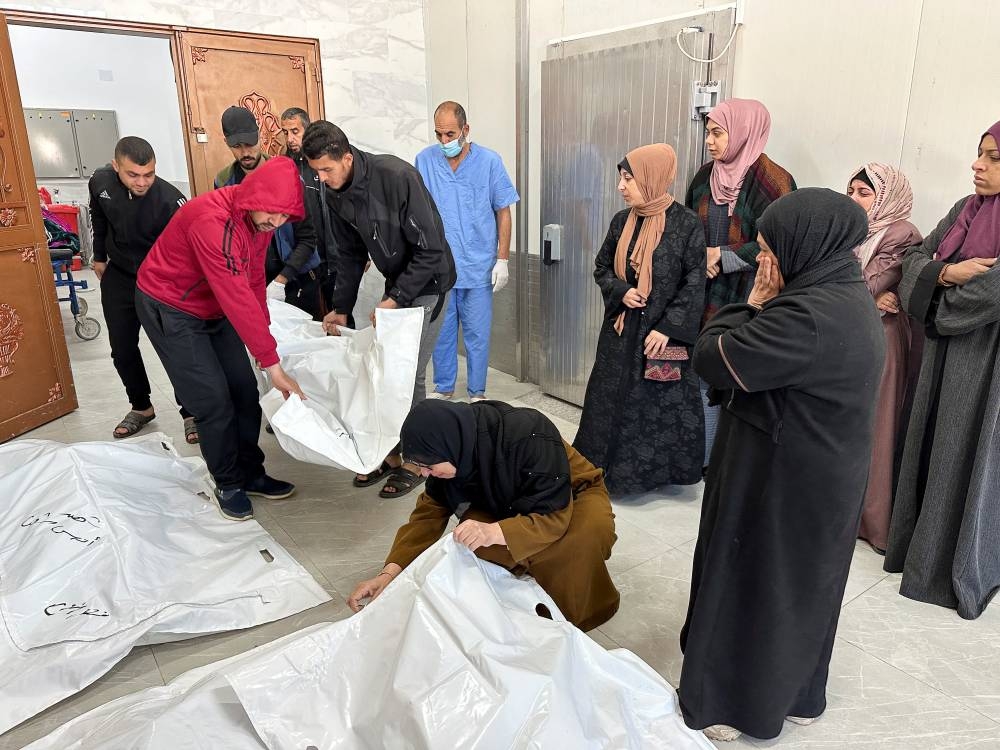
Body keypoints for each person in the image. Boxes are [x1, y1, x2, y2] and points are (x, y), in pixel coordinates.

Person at [679, 189, 884, 742]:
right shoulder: (844, 291)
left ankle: (729, 705)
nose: (764, 261)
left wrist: (755, 301)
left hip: (780, 478)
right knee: (802, 586)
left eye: (769, 248)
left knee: (752, 582)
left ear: (805, 246)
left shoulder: (805, 315)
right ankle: (798, 696)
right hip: (818, 472)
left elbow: (712, 358)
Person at [346, 399, 619, 631]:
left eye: (428, 466)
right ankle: (518, 612)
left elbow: (554, 515)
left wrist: (494, 532)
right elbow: (426, 517)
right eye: (419, 467)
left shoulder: (529, 432)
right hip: (502, 503)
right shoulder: (451, 449)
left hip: (570, 494)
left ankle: (573, 623)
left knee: (575, 544)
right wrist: (388, 574)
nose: (425, 474)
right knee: (471, 547)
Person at [136, 156, 306, 522]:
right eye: (273, 214)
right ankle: (228, 482)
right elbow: (236, 295)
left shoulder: (260, 220)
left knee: (244, 390)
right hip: (172, 305)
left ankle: (250, 473)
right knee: (212, 399)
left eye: (283, 218)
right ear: (255, 194)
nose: (275, 223)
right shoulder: (211, 222)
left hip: (214, 305)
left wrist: (265, 348)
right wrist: (272, 364)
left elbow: (253, 281)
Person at [302, 120, 457, 499]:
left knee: (410, 373)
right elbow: (350, 255)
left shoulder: (397, 176)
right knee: (385, 371)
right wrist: (340, 307)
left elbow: (431, 250)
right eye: (315, 171)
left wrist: (396, 298)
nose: (321, 179)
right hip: (400, 283)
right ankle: (390, 450)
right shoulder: (336, 192)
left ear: (347, 158)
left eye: (327, 169)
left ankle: (419, 458)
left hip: (429, 282)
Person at [885, 120, 1000, 620]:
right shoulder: (965, 210)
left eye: (995, 158)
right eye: (980, 154)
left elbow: (993, 292)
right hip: (942, 351)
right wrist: (946, 273)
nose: (978, 165)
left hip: (986, 359)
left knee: (966, 452)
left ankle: (953, 565)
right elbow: (913, 258)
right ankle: (919, 548)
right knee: (932, 444)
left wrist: (936, 297)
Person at [573, 144, 706, 494]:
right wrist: (620, 290)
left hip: (660, 337)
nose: (621, 186)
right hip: (619, 334)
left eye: (628, 179)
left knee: (654, 405)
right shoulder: (622, 221)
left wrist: (667, 327)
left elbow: (694, 281)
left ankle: (648, 477)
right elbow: (602, 267)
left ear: (651, 177)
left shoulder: (686, 224)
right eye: (621, 178)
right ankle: (602, 470)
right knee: (609, 398)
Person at [685, 99, 796, 473]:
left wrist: (723, 256)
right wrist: (700, 257)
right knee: (702, 370)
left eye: (717, 133)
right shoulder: (704, 177)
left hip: (750, 292)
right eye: (707, 133)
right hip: (704, 289)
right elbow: (687, 227)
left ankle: (727, 463)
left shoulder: (774, 182)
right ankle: (701, 457)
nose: (709, 143)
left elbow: (779, 241)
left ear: (745, 131)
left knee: (736, 375)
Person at [88, 137, 192, 441]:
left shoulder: (170, 200)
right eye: (133, 175)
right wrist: (97, 256)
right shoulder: (100, 181)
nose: (142, 182)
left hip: (159, 278)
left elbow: (185, 252)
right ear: (116, 166)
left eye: (149, 174)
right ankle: (141, 407)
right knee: (121, 348)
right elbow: (98, 215)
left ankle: (191, 411)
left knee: (174, 347)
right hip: (119, 274)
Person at [415, 101, 519, 401]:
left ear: (466, 130)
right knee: (442, 335)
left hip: (478, 266)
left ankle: (477, 391)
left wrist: (502, 259)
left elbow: (504, 211)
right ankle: (444, 387)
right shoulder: (425, 161)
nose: (445, 142)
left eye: (451, 134)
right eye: (439, 135)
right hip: (440, 268)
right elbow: (416, 212)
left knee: (477, 335)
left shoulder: (489, 162)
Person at [845, 163, 922, 555]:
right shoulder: (853, 228)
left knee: (877, 425)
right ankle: (843, 511)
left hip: (882, 336)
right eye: (852, 191)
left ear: (887, 196)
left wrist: (860, 293)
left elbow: (870, 283)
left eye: (864, 192)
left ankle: (873, 521)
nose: (854, 200)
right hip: (849, 331)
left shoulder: (901, 233)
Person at [215, 106, 322, 319]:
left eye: (250, 144)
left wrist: (282, 280)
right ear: (226, 141)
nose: (246, 152)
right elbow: (227, 240)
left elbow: (308, 238)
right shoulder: (224, 183)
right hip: (256, 283)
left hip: (297, 278)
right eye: (237, 146)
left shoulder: (286, 175)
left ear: (260, 136)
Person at [280, 106, 354, 327]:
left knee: (342, 320)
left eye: (295, 131)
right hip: (306, 263)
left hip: (336, 257)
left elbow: (345, 207)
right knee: (313, 324)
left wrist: (358, 249)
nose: (290, 138)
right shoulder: (286, 168)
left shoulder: (326, 163)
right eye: (285, 133)